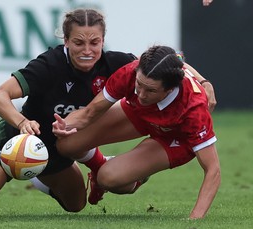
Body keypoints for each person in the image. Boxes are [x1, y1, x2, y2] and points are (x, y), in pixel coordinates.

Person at [0, 8, 216, 218]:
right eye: (79, 42)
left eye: (94, 42)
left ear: (102, 41)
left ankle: (45, 173)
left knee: (78, 205)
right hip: (14, 145)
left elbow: (167, 62)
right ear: (65, 41)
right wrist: (22, 122)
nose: (88, 50)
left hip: (55, 150)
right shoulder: (49, 65)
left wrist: (202, 80)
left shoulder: (118, 63)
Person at [52, 45, 221, 219]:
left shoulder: (194, 108)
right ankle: (98, 164)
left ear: (170, 89)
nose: (140, 93)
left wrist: (195, 218)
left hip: (176, 138)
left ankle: (138, 175)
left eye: (151, 90)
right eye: (139, 85)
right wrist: (63, 125)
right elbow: (89, 113)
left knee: (108, 178)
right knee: (66, 144)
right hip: (139, 113)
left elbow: (213, 169)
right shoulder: (131, 72)